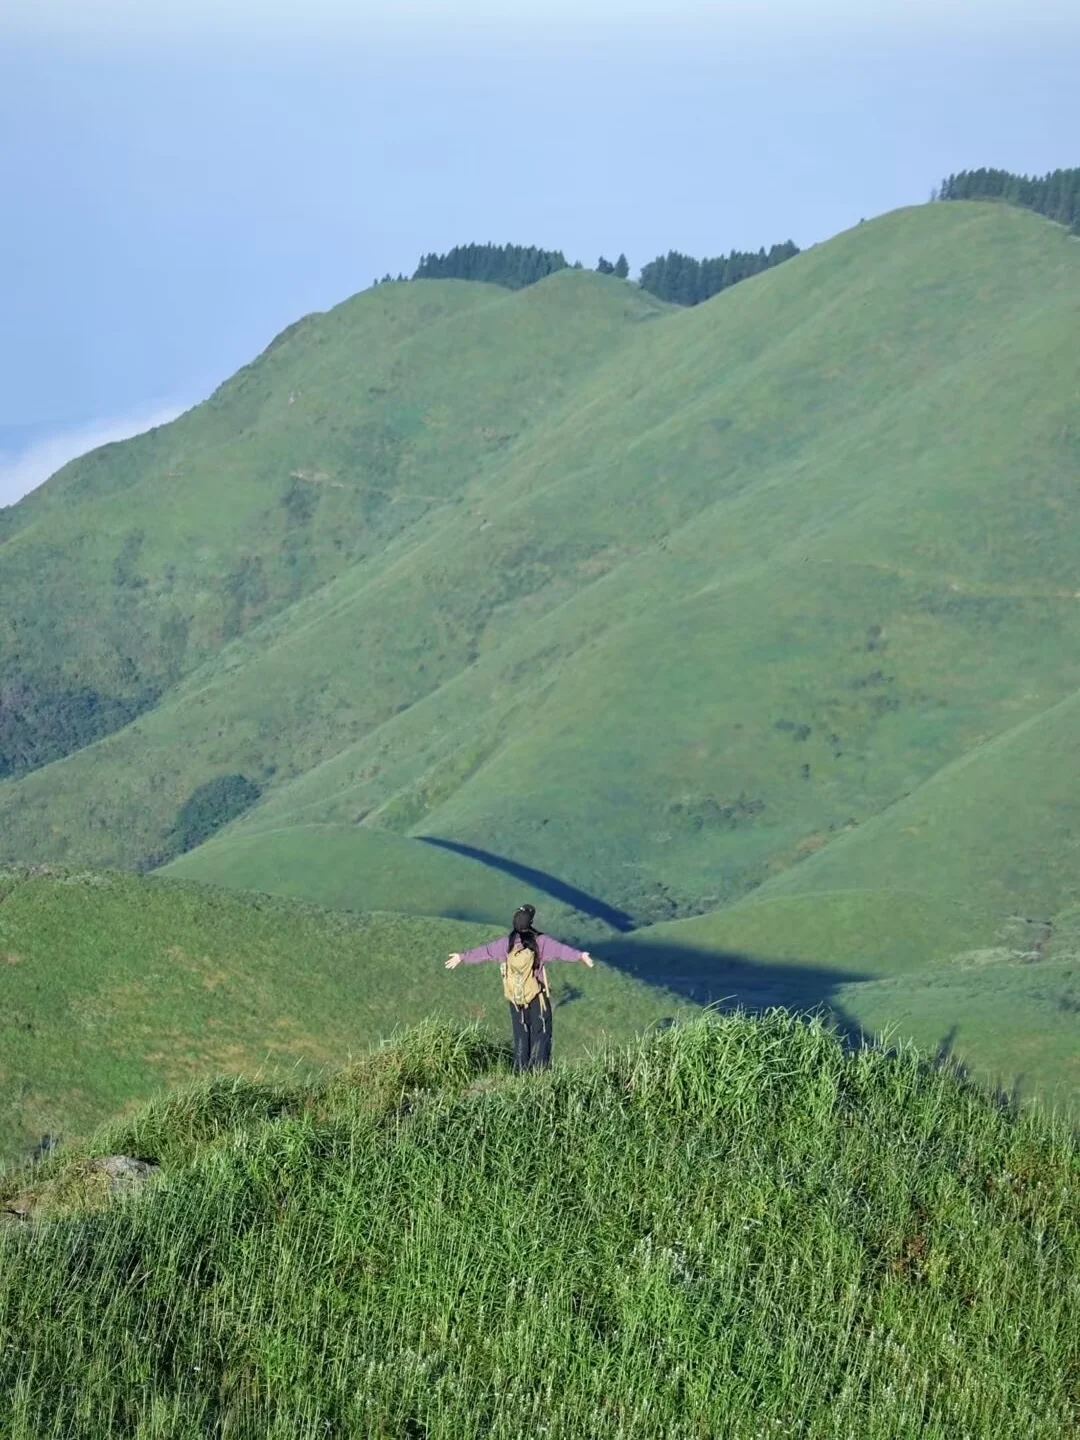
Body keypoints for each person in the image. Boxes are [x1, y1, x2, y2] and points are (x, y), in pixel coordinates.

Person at [445, 903, 594, 1072]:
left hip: (515, 998)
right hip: (537, 996)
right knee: (542, 1034)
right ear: (531, 922)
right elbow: (561, 951)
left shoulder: (506, 943)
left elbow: (485, 951)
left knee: (521, 1036)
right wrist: (581, 956)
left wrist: (462, 957)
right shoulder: (540, 942)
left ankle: (520, 1073)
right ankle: (540, 1073)